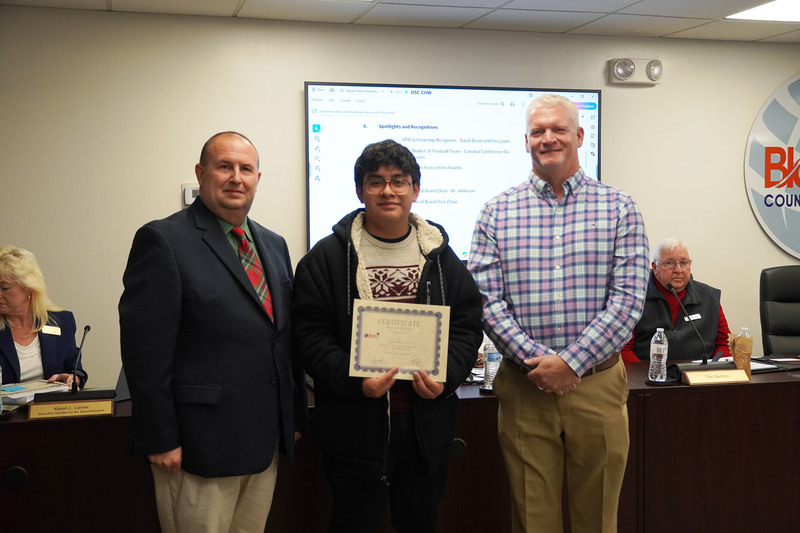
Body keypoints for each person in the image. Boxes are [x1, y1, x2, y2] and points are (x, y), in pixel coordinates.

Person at [468, 94, 650, 532]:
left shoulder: (620, 207)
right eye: (537, 131)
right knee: (533, 518)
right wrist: (539, 364)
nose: (548, 138)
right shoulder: (496, 212)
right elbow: (487, 299)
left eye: (558, 129)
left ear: (579, 136)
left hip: (597, 387)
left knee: (599, 516)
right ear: (526, 141)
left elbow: (628, 299)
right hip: (525, 390)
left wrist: (571, 362)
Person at [119, 131, 306, 533]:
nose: (236, 177)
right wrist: (160, 437)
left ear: (258, 177)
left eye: (246, 169)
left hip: (263, 442)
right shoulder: (164, 240)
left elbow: (280, 339)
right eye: (225, 167)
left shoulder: (273, 245)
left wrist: (289, 416)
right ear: (201, 173)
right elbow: (144, 353)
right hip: (198, 447)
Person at [292, 139, 482, 533]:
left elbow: (466, 326)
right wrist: (355, 379)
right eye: (375, 182)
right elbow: (309, 336)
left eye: (399, 181)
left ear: (415, 189)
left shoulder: (442, 257)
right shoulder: (326, 259)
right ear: (360, 190)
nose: (388, 191)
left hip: (424, 432)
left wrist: (445, 374)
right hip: (354, 431)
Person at [621, 237, 731, 362]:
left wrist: (714, 369)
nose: (678, 270)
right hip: (648, 376)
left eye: (684, 263)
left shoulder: (709, 298)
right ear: (655, 267)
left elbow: (724, 344)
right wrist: (648, 375)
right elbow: (623, 349)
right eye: (670, 263)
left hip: (698, 377)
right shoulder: (634, 297)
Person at [0, 245, 87, 388]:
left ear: (28, 287)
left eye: (4, 288)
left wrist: (72, 378)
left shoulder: (62, 322)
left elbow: (75, 369)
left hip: (49, 409)